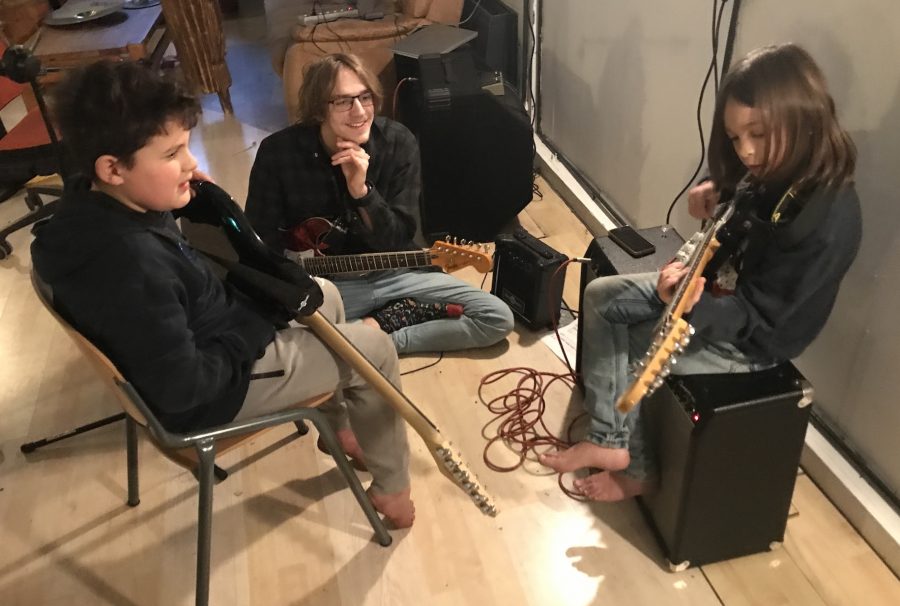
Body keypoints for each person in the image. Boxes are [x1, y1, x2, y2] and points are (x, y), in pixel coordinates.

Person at [30, 61, 415, 528]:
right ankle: (393, 492)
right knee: (373, 349)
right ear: (112, 168)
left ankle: (338, 426)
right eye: (172, 154)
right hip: (208, 395)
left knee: (325, 295)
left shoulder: (92, 208)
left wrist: (201, 208)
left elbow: (182, 266)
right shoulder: (130, 263)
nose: (191, 164)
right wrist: (258, 317)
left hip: (208, 337)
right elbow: (184, 387)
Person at [540, 43, 862, 501]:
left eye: (759, 134)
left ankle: (638, 469)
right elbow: (747, 194)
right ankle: (611, 442)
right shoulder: (781, 165)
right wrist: (718, 188)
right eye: (735, 138)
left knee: (633, 349)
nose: (747, 151)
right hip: (711, 291)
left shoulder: (827, 223)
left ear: (803, 118)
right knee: (600, 296)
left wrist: (694, 304)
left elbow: (761, 318)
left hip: (752, 341)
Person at [244, 53, 514, 355]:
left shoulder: (398, 142)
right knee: (269, 341)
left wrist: (362, 192)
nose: (359, 111)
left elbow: (396, 240)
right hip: (326, 286)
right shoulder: (278, 153)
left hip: (395, 274)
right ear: (319, 109)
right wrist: (293, 278)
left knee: (497, 318)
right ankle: (385, 322)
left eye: (365, 97)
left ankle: (377, 337)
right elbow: (258, 239)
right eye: (343, 101)